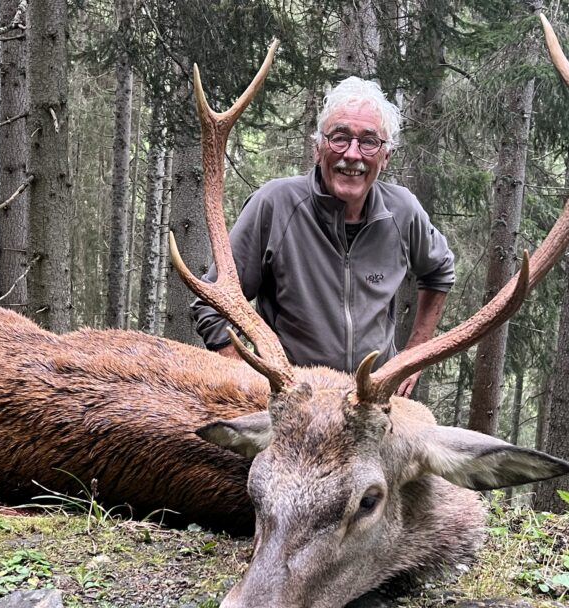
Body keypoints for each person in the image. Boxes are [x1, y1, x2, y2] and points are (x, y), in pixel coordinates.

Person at [191, 76, 455, 397]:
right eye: (339, 138)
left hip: (370, 404)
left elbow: (440, 271)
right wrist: (250, 383)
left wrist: (414, 355)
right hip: (295, 403)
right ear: (318, 148)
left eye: (369, 141)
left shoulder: (403, 211)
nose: (353, 154)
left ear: (385, 157)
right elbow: (212, 304)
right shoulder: (275, 205)